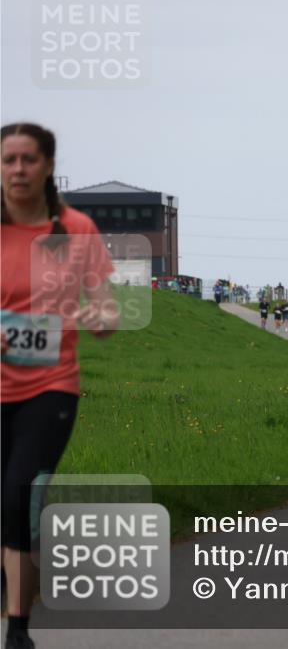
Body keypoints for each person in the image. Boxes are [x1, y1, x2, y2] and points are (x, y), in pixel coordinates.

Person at [2, 122, 119, 649]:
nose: (18, 170)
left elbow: (106, 303)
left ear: (48, 165)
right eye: (9, 160)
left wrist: (102, 315)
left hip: (50, 388)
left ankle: (17, 629)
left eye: (29, 159)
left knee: (18, 495)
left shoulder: (76, 231)